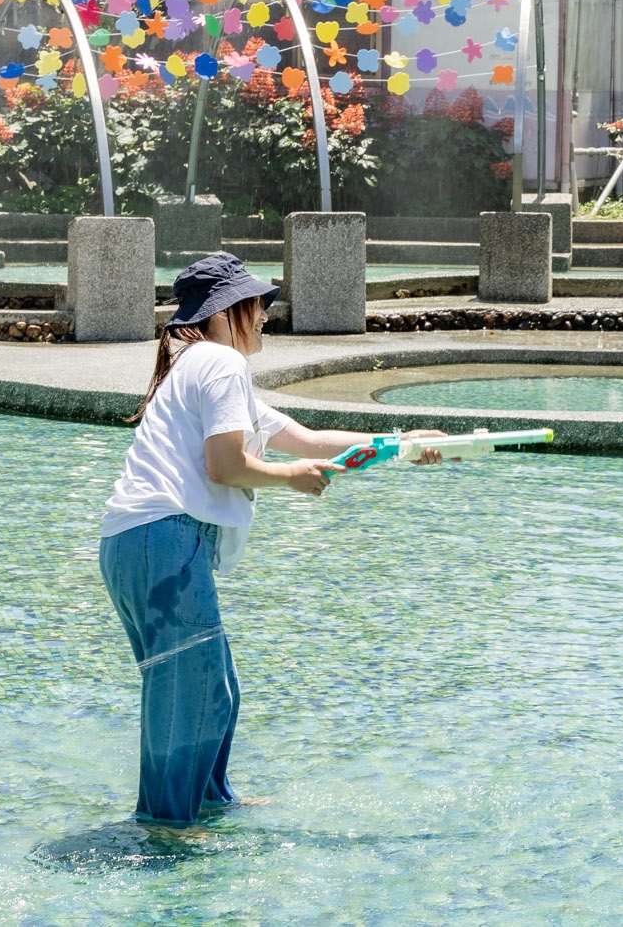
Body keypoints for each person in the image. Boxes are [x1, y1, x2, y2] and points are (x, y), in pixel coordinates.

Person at [98, 251, 442, 826]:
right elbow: (226, 465)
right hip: (162, 538)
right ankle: (165, 827)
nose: (263, 315)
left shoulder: (203, 366)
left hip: (139, 544)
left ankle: (206, 802)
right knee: (193, 693)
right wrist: (292, 481)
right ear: (224, 311)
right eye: (255, 304)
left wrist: (400, 442)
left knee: (211, 687)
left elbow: (308, 441)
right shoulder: (220, 364)